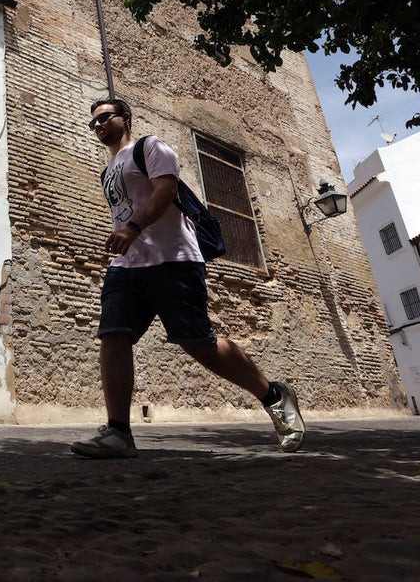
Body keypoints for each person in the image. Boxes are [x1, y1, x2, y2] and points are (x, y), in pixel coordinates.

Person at [70, 98, 306, 458]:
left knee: (199, 344)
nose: (99, 126)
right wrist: (127, 236)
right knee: (113, 336)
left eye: (105, 117)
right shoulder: (107, 171)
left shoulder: (151, 147)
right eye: (94, 123)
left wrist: (133, 227)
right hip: (128, 266)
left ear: (125, 117)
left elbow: (165, 190)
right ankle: (118, 431)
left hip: (174, 259)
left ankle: (273, 395)